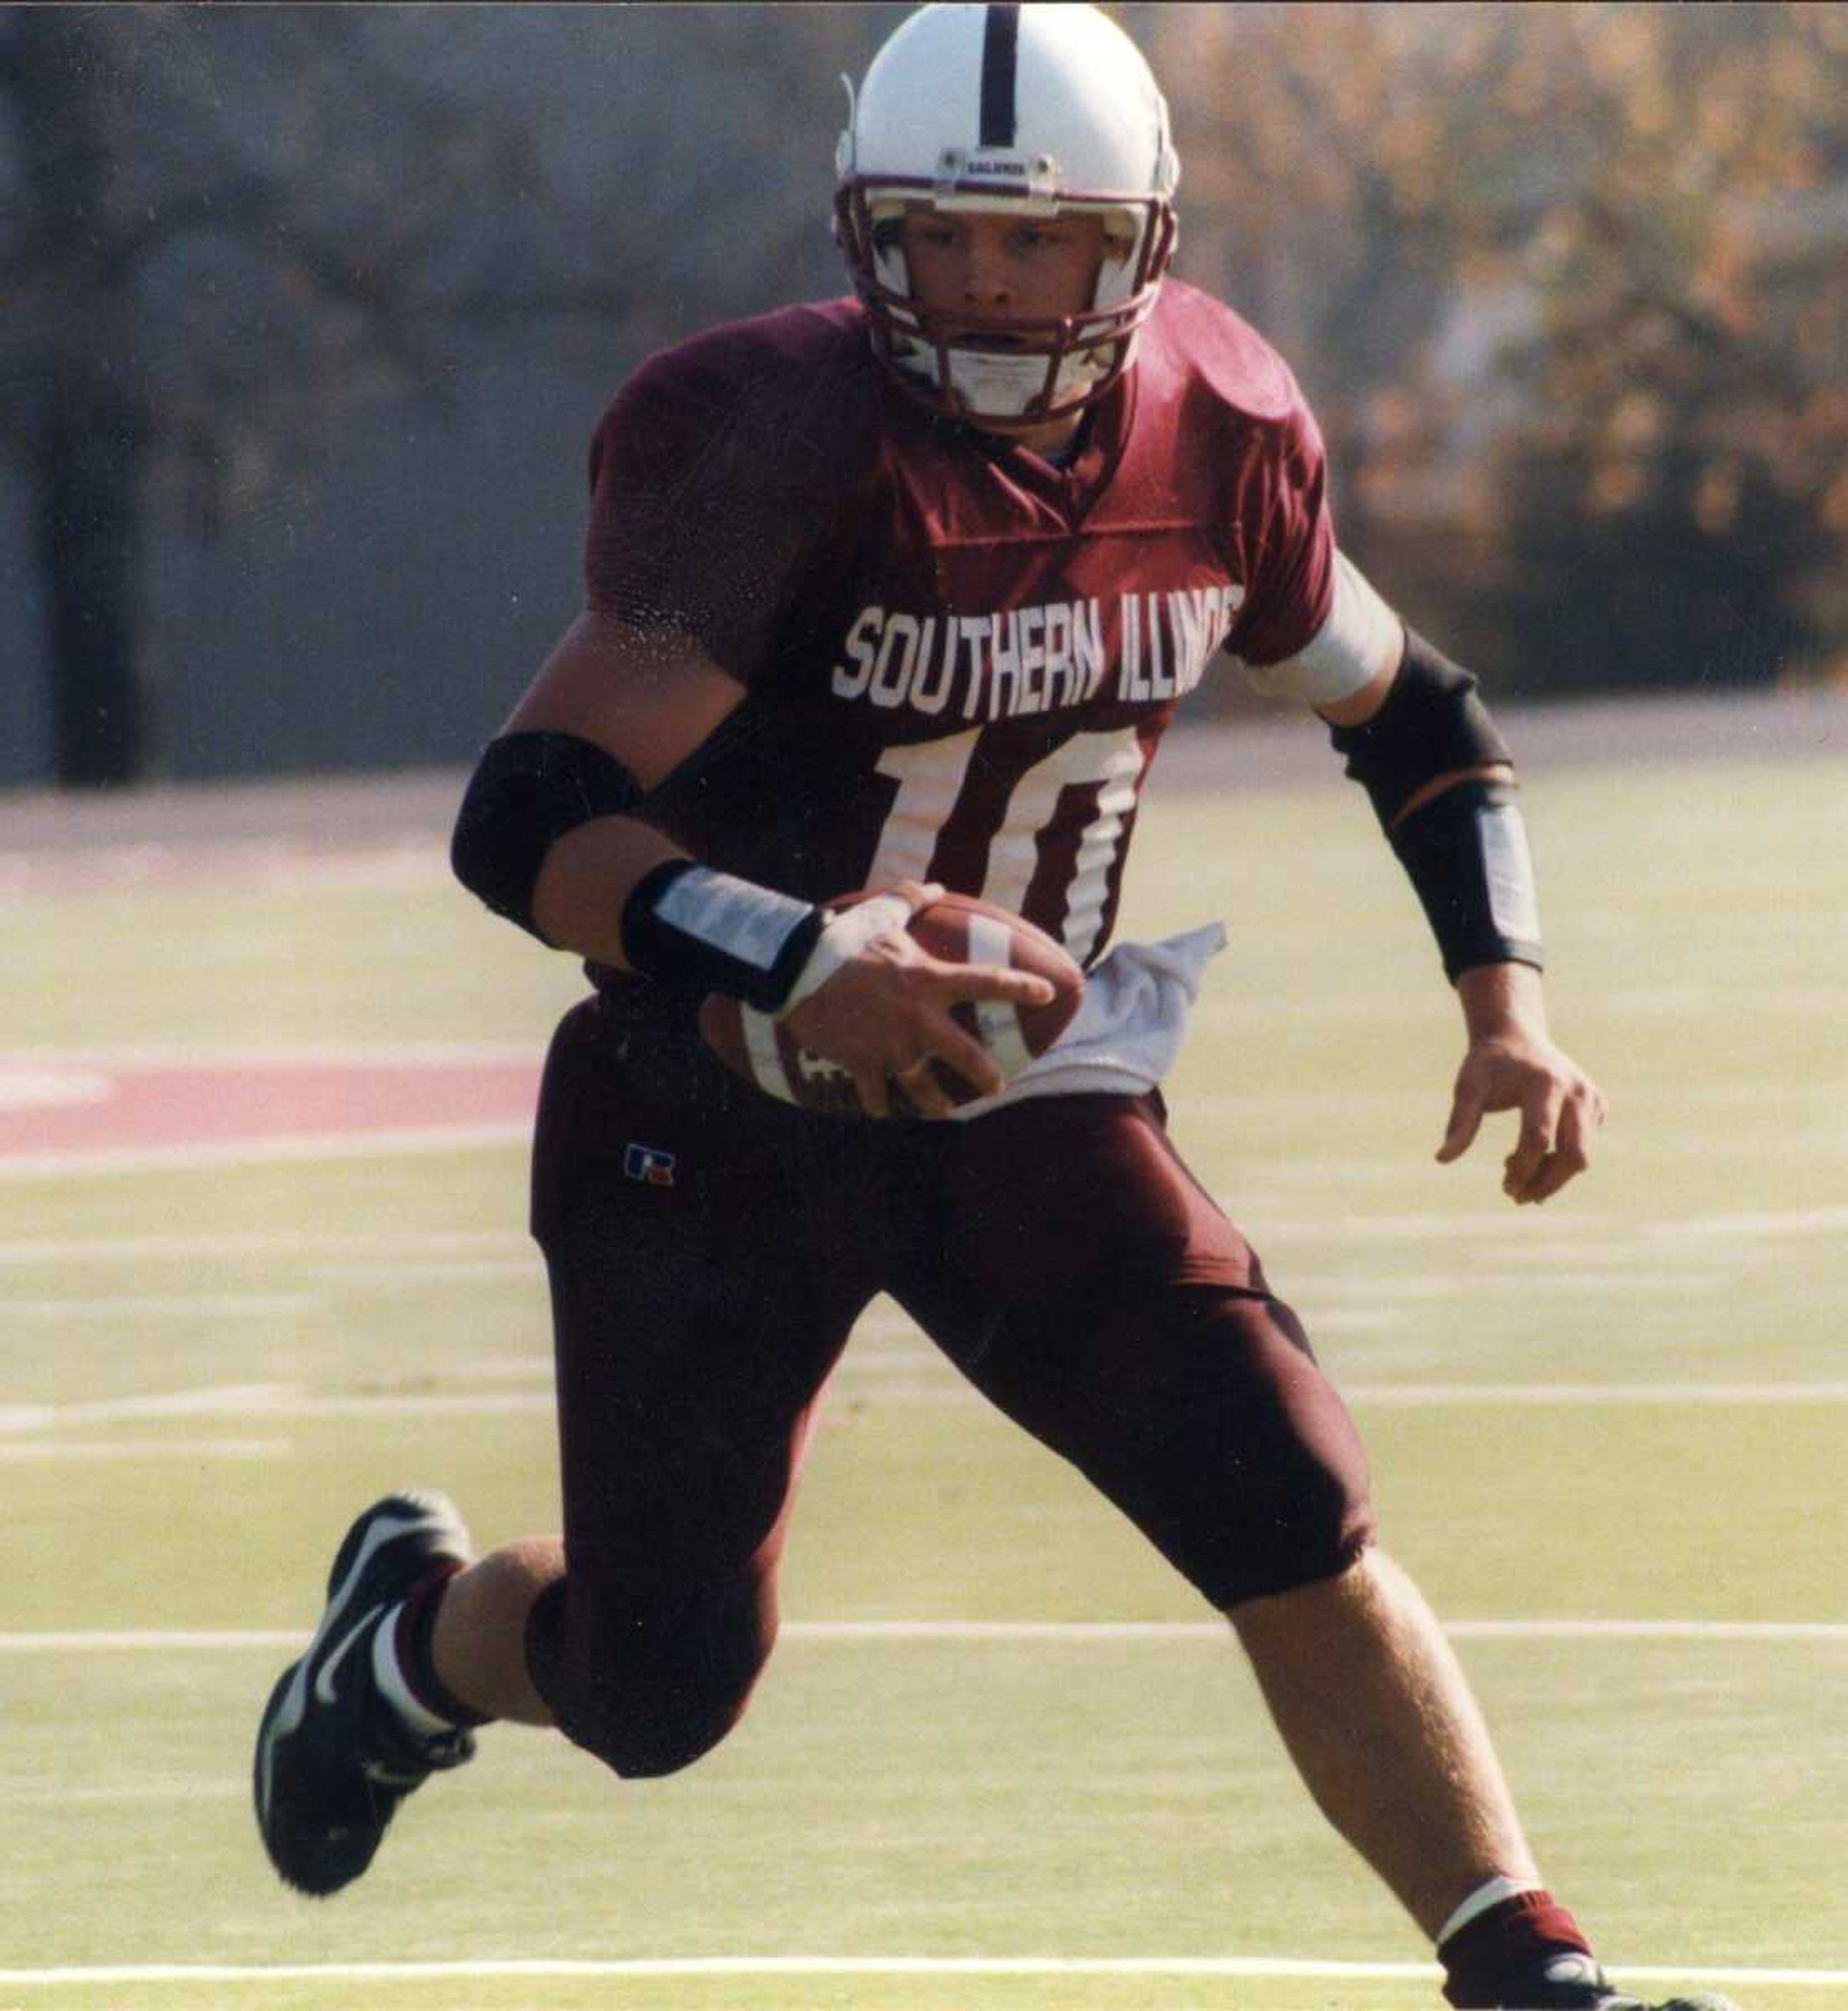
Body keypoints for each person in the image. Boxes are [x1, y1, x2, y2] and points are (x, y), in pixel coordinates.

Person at [252, 9, 1735, 2009]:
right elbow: (526, 817)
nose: (991, 284)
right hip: (709, 1096)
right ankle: (411, 1644)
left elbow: (1420, 720)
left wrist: (1510, 1001)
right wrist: (797, 952)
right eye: (947, 239)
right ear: (873, 235)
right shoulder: (776, 440)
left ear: (1143, 245)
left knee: (1285, 1490)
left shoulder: (1217, 421)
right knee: (658, 1686)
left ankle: (1524, 1963)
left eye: (1041, 244)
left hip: (1024, 1095)